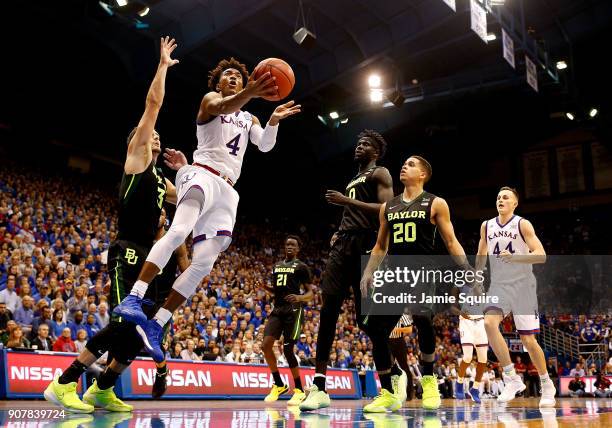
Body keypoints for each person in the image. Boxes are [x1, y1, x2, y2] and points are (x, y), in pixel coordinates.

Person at [114, 56, 301, 364]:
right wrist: (251, 92)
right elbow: (224, 107)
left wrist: (273, 122)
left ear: (244, 82)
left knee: (204, 264)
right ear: (218, 83)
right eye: (226, 75)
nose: (232, 78)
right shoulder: (211, 99)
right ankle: (135, 296)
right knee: (179, 230)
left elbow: (265, 146)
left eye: (237, 77)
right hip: (201, 172)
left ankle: (157, 323)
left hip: (228, 190)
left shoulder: (250, 118)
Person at [44, 37, 184, 413]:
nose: (155, 135)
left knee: (139, 332)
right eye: (148, 134)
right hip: (127, 251)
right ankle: (64, 382)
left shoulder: (160, 181)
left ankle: (103, 389)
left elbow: (190, 199)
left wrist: (188, 170)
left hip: (149, 260)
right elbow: (152, 105)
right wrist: (162, 66)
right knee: (126, 319)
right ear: (136, 142)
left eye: (157, 135)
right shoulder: (137, 160)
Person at [357, 156, 473, 412]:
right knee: (377, 329)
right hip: (394, 272)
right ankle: (387, 392)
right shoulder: (388, 206)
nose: (404, 166)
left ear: (423, 174)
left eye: (411, 164)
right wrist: (368, 273)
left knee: (421, 316)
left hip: (422, 269)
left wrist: (467, 270)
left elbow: (451, 242)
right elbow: (380, 246)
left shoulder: (435, 203)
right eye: (404, 163)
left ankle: (429, 380)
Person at [299, 131, 394, 411]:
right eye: (358, 142)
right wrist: (340, 231)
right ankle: (318, 387)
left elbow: (387, 210)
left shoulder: (381, 172)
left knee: (369, 323)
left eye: (365, 144)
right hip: (344, 244)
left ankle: (388, 387)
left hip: (367, 245)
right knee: (328, 310)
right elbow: (351, 213)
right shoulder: (354, 178)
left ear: (375, 152)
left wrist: (347, 202)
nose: (359, 146)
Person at [478, 187, 556, 407]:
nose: (501, 200)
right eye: (498, 197)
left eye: (506, 197)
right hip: (499, 286)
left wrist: (515, 258)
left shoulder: (522, 224)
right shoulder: (487, 226)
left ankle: (546, 383)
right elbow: (481, 253)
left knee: (528, 341)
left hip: (523, 286)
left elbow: (540, 255)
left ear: (515, 204)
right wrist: (476, 277)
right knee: (489, 323)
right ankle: (511, 378)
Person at [257, 236, 312, 406]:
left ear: (298, 249)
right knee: (265, 345)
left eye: (293, 245)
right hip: (278, 309)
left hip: (294, 311)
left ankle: (299, 390)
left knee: (288, 350)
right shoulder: (277, 266)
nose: (289, 246)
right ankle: (279, 384)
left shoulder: (302, 267)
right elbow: (279, 291)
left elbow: (311, 293)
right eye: (287, 244)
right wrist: (265, 288)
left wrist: (299, 297)